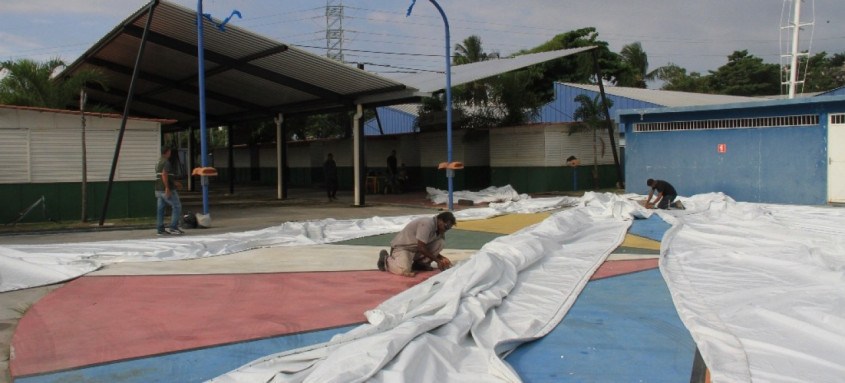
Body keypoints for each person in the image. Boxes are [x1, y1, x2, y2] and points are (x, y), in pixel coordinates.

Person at [377, 212, 456, 277]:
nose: (446, 229)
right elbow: (421, 247)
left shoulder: (440, 230)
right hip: (403, 248)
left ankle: (420, 264)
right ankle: (385, 260)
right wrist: (438, 261)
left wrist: (442, 258)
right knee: (404, 270)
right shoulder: (427, 223)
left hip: (415, 250)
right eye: (446, 226)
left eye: (449, 228)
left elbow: (424, 248)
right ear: (440, 220)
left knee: (440, 242)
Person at [155, 147, 184, 235]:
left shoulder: (158, 162)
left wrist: (174, 182)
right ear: (167, 152)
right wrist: (167, 187)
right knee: (177, 206)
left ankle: (160, 229)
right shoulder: (166, 162)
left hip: (158, 189)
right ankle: (173, 227)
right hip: (166, 189)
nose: (170, 154)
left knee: (160, 209)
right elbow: (164, 174)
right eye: (170, 152)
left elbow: (162, 175)